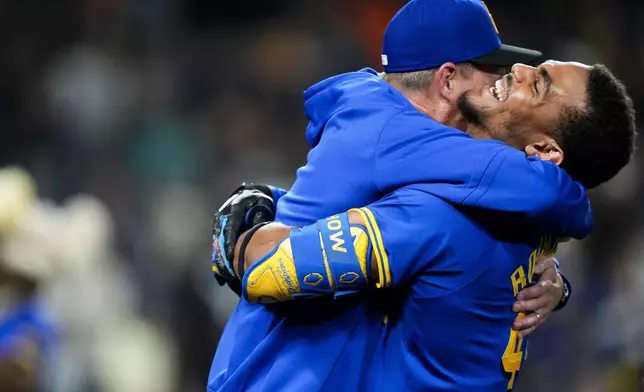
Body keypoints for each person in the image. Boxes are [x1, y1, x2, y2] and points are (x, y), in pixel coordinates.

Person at [208, 0, 635, 390]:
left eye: (536, 84)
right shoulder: (514, 214)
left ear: (545, 151)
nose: (512, 73)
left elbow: (268, 268)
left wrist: (239, 237)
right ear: (447, 79)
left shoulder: (446, 212)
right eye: (491, 66)